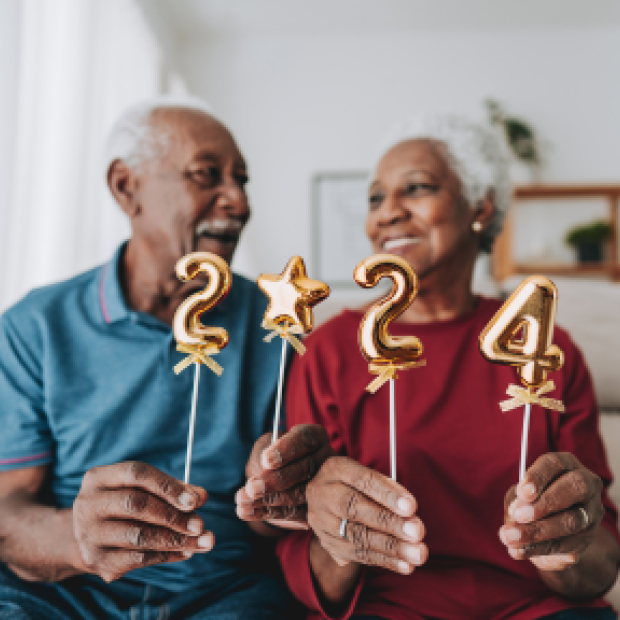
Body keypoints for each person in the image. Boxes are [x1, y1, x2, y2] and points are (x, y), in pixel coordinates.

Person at [237, 116, 620, 619]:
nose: (388, 213)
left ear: (479, 206)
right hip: (385, 609)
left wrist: (564, 540)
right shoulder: (329, 349)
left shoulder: (547, 347)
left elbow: (601, 559)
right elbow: (307, 568)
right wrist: (335, 532)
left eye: (415, 188)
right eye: (375, 198)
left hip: (536, 609)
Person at [0, 96, 327, 619]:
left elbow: (278, 522)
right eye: (207, 176)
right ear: (126, 188)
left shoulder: (279, 322)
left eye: (241, 181)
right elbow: (7, 508)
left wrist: (275, 489)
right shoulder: (33, 326)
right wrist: (75, 538)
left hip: (224, 589)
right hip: (63, 591)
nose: (238, 203)